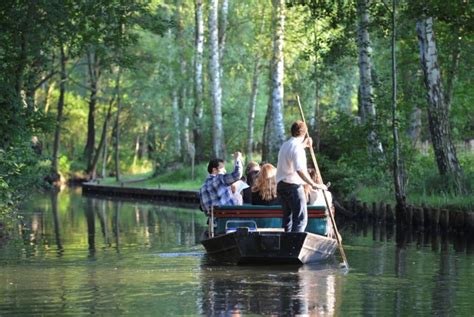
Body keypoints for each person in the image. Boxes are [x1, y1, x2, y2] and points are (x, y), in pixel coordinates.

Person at [276, 121, 327, 232]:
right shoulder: (297, 148)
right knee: (300, 219)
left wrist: (305, 145)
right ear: (305, 133)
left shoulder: (286, 145)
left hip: (281, 185)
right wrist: (313, 184)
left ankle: (286, 244)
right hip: (292, 186)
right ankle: (294, 245)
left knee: (287, 219)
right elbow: (299, 170)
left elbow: (293, 151)